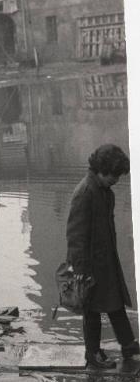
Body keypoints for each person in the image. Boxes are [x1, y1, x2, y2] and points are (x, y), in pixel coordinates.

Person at [66, 144, 139, 369]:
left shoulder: (104, 191)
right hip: (89, 264)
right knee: (92, 310)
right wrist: (79, 269)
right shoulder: (85, 192)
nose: (116, 180)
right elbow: (75, 235)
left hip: (106, 260)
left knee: (115, 303)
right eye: (114, 175)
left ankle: (128, 344)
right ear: (101, 169)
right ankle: (93, 353)